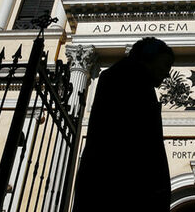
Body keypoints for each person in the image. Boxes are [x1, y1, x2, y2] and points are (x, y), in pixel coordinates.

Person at [72, 37, 175, 211]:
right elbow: (138, 145)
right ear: (147, 58)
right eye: (165, 65)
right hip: (122, 193)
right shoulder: (130, 83)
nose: (167, 73)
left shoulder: (131, 81)